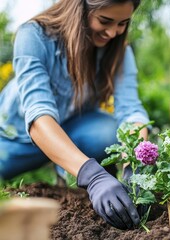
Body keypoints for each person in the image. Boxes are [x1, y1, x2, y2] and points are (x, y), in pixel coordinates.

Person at [0, 0, 148, 230]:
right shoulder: (34, 36)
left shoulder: (119, 50)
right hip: (15, 140)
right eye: (104, 21)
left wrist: (136, 166)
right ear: (79, 9)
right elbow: (39, 116)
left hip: (74, 131)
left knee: (110, 132)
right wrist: (93, 176)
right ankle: (86, 170)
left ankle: (75, 168)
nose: (112, 32)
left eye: (122, 23)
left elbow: (131, 111)